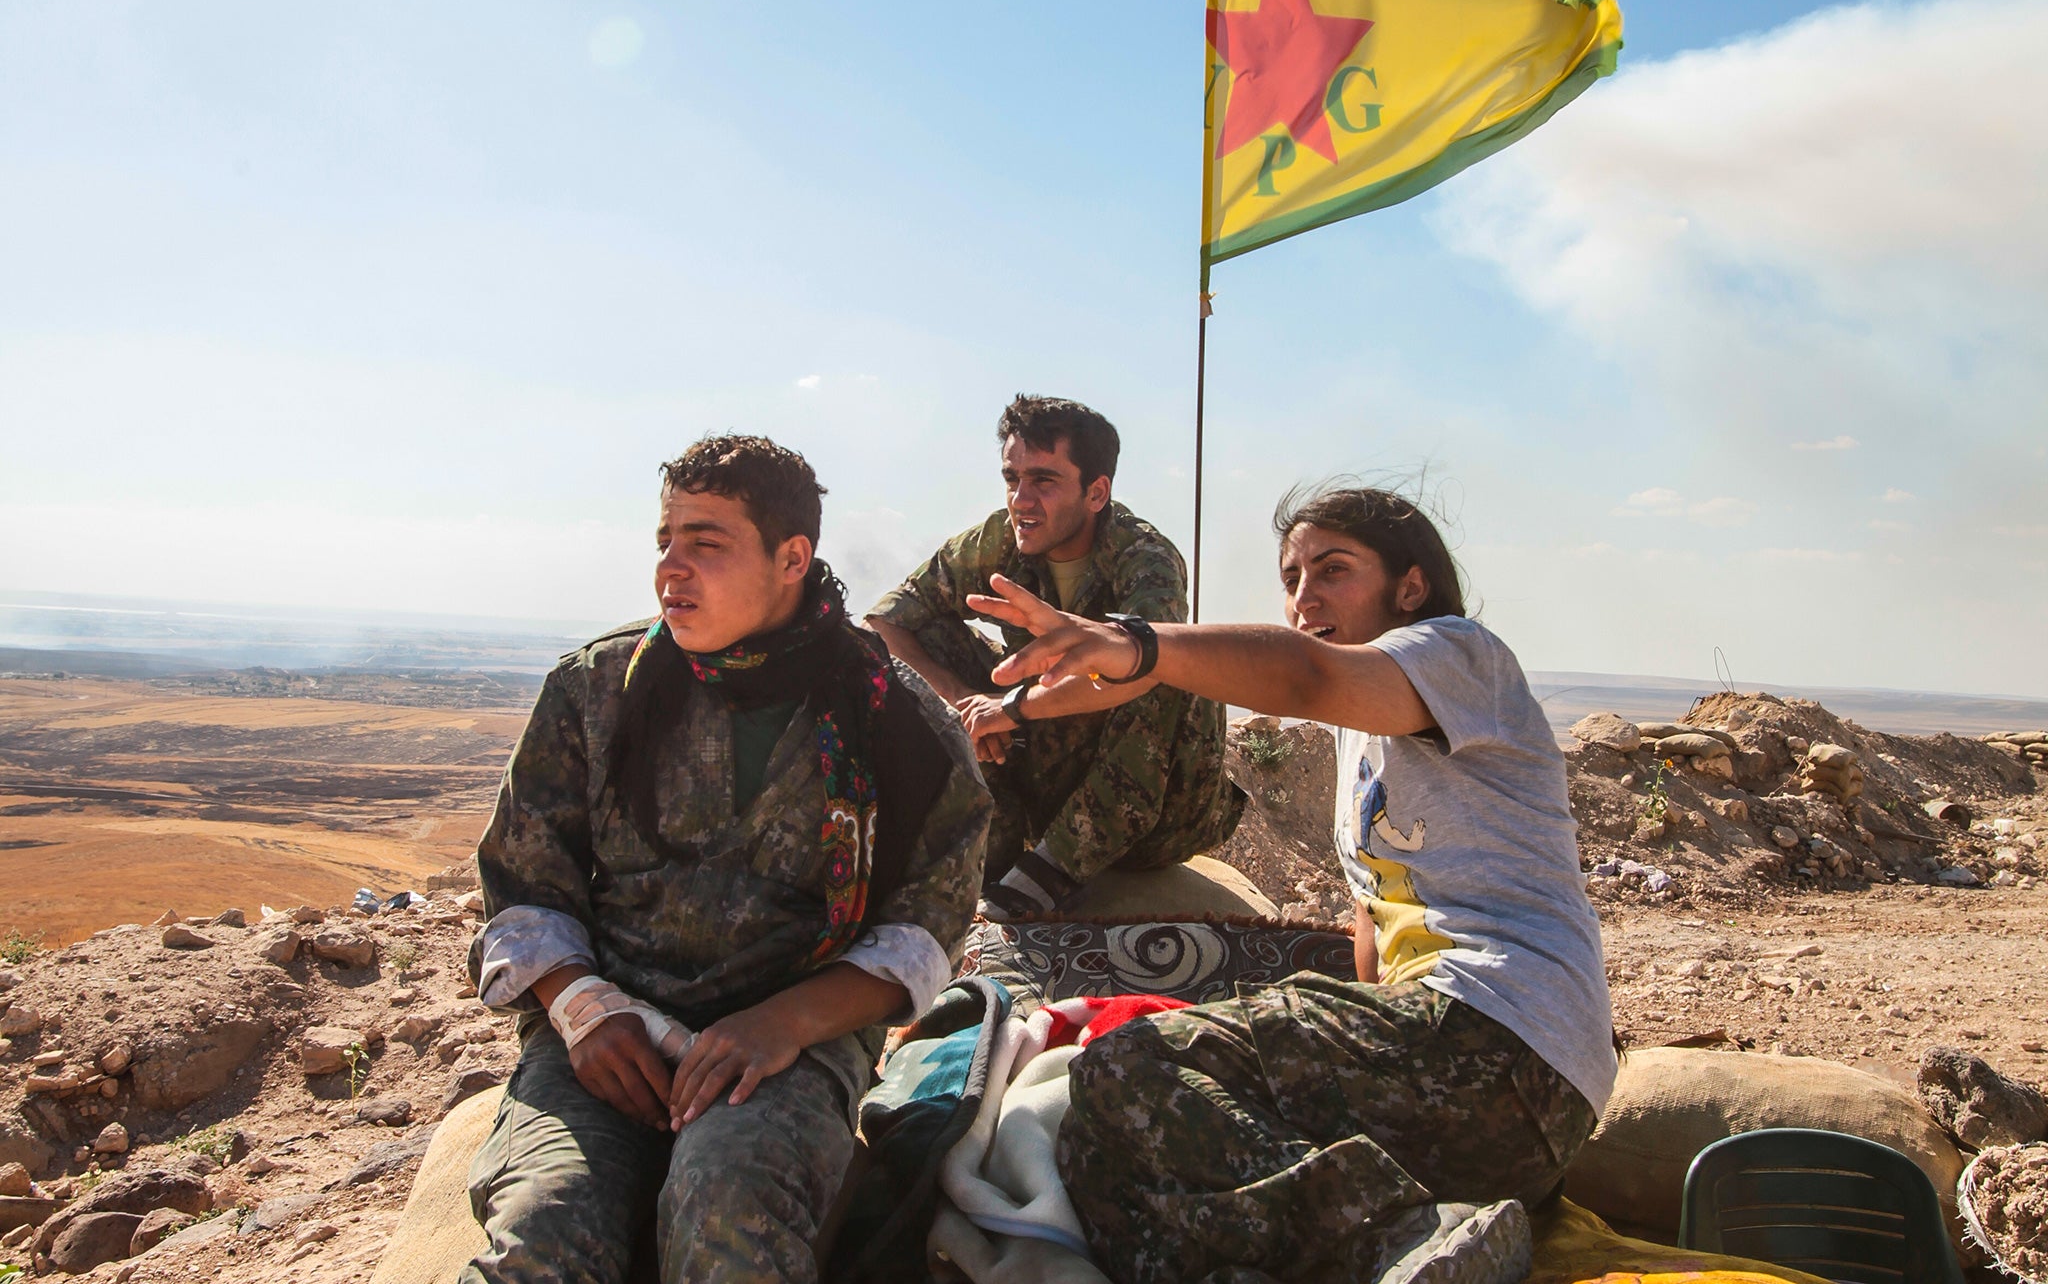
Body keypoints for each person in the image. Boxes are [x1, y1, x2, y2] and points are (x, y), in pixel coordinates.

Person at [966, 484, 1615, 1284]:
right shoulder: (1364, 735)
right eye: (1293, 577)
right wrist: (1017, 711)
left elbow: (1299, 673)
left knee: (1130, 1068)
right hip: (1472, 1105)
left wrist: (1129, 637)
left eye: (1332, 569)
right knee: (1112, 1169)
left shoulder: (1459, 656)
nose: (1305, 596)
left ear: (1409, 587)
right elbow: (1373, 932)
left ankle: (1394, 1238)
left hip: (1500, 1036)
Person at [463, 435, 991, 1284]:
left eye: (705, 544)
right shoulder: (594, 691)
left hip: (789, 1046)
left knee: (729, 1209)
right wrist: (584, 1009)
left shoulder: (897, 723)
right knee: (546, 1233)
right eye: (665, 542)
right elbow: (524, 891)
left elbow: (926, 930)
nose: (672, 569)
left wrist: (784, 1024)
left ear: (792, 558)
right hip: (606, 1039)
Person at [866, 394, 1241, 919]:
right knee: (916, 649)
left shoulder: (1144, 558)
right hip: (1049, 785)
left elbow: (1138, 669)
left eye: (1043, 481)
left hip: (1158, 817)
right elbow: (885, 623)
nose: (1021, 499)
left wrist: (1013, 708)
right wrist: (966, 701)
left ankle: (1054, 869)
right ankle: (993, 844)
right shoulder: (999, 541)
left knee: (1158, 659)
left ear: (1096, 492)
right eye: (1011, 479)